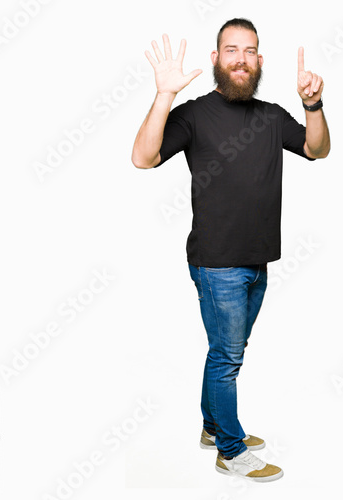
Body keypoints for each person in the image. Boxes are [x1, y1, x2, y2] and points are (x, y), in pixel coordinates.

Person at [131, 18, 330, 482]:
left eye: (249, 50)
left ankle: (211, 425)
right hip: (217, 263)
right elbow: (142, 157)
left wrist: (313, 104)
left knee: (224, 350)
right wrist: (164, 96)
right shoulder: (195, 114)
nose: (240, 58)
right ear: (217, 58)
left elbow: (317, 149)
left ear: (259, 61)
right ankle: (231, 450)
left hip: (257, 260)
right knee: (228, 358)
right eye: (231, 49)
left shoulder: (272, 116)